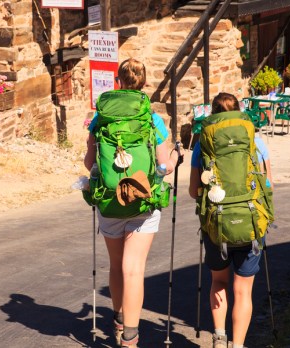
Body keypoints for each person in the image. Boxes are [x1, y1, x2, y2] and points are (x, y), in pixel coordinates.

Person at [83, 58, 182, 348]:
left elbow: (89, 162)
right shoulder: (151, 119)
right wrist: (176, 155)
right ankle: (130, 337)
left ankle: (116, 318)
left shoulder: (101, 118)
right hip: (142, 200)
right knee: (133, 268)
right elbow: (164, 166)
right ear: (144, 84)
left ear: (118, 82)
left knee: (116, 265)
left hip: (110, 201)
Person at [188, 92, 273, 348]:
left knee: (219, 281)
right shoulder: (255, 141)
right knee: (243, 290)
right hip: (251, 221)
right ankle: (238, 345)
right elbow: (267, 183)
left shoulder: (204, 143)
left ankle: (219, 337)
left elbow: (194, 191)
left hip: (217, 223)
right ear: (239, 111)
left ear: (213, 113)